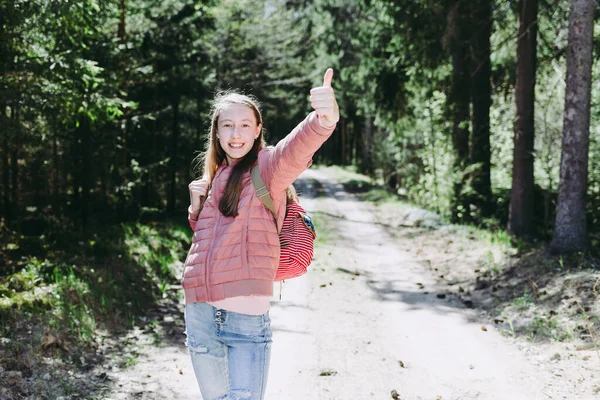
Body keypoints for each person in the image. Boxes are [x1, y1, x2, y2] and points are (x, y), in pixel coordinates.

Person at [182, 68, 339, 400]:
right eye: (227, 125)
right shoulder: (214, 178)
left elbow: (295, 149)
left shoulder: (267, 168)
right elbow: (211, 242)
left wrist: (323, 119)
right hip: (199, 314)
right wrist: (196, 209)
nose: (235, 133)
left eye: (243, 126)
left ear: (256, 132)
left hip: (244, 316)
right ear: (216, 133)